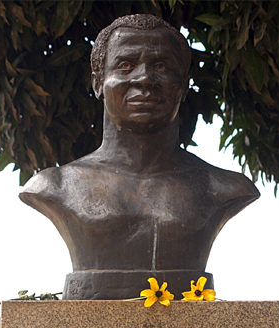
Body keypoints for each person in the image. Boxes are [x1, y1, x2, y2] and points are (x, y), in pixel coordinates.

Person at [20, 14, 259, 300]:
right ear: (98, 82)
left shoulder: (222, 188)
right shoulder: (54, 186)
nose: (145, 78)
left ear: (182, 85)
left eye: (161, 65)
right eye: (125, 65)